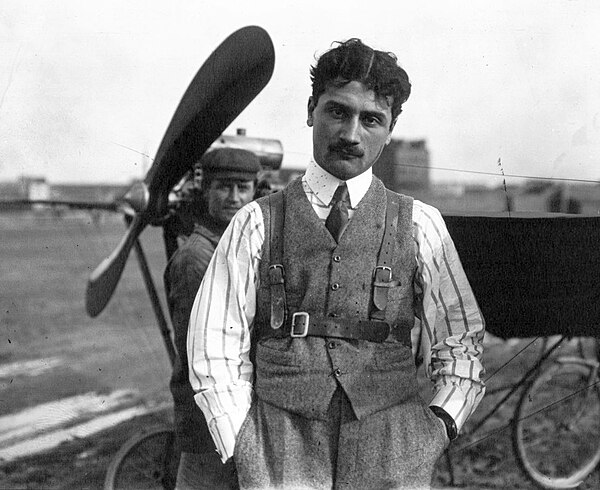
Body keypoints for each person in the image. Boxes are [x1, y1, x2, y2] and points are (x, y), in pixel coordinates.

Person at [188, 38, 486, 489]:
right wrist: (241, 441)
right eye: (337, 112)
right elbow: (214, 343)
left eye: (371, 120)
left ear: (390, 129)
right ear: (311, 109)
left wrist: (436, 427)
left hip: (392, 444)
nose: (350, 135)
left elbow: (461, 339)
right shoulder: (256, 222)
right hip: (280, 444)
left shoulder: (421, 224)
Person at [164, 147, 261, 489]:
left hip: (233, 411)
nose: (234, 197)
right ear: (206, 190)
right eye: (224, 187)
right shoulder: (196, 258)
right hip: (210, 417)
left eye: (243, 188)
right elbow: (204, 352)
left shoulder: (232, 247)